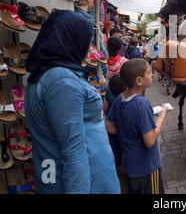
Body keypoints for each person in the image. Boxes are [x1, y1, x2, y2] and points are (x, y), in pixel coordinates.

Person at [24, 10, 120, 194]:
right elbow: (74, 153)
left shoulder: (45, 74)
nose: (88, 46)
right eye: (86, 39)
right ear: (71, 38)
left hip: (66, 177)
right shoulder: (62, 81)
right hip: (89, 183)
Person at [105, 59, 167, 194]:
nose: (152, 75)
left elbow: (108, 126)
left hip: (129, 167)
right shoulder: (142, 105)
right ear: (139, 81)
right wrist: (162, 116)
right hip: (147, 168)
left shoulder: (120, 98)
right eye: (149, 72)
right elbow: (150, 141)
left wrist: (127, 131)